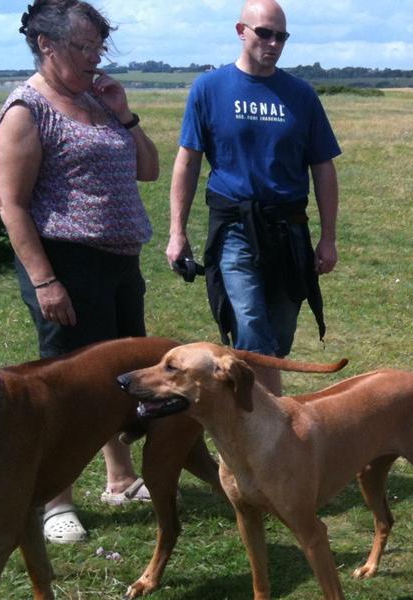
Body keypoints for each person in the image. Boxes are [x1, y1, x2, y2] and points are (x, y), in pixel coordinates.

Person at [0, 0, 160, 543]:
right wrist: (45, 280)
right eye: (83, 47)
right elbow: (11, 203)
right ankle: (53, 503)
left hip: (119, 261)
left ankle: (119, 478)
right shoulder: (27, 108)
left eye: (98, 47)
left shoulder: (98, 100)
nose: (95, 58)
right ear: (47, 44)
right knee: (63, 388)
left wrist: (124, 112)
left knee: (118, 378)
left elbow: (149, 169)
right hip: (65, 262)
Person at [166, 0, 341, 396]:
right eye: (265, 32)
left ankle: (256, 406)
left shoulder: (301, 95)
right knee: (250, 323)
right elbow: (188, 161)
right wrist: (177, 232)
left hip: (288, 226)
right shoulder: (209, 89)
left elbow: (323, 168)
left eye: (282, 36)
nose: (274, 42)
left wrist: (328, 237)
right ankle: (266, 420)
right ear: (240, 31)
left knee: (281, 329)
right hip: (234, 227)